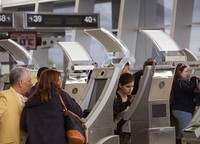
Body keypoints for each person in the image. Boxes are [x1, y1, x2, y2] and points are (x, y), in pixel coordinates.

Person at [21, 69, 83, 144]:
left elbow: (24, 125)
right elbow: (78, 112)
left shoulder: (30, 100)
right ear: (55, 82)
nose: (60, 82)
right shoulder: (61, 95)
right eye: (59, 80)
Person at [0, 67, 32, 144]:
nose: (31, 84)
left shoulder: (26, 99)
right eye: (29, 81)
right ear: (20, 83)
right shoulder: (4, 97)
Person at [171, 63, 199, 143]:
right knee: (186, 134)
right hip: (183, 110)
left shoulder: (177, 82)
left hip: (179, 109)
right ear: (180, 72)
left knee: (181, 134)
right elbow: (189, 89)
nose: (187, 74)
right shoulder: (180, 82)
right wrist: (194, 78)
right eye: (186, 72)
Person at [113, 73, 134, 143]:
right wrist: (128, 103)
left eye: (132, 86)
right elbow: (116, 109)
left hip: (127, 131)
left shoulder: (129, 97)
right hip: (116, 131)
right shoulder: (115, 97)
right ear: (120, 85)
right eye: (127, 87)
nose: (130, 89)